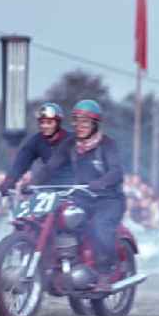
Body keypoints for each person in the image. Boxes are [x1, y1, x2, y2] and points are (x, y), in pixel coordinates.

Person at [35, 99, 125, 287]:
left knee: (100, 227)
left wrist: (101, 183)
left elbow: (116, 171)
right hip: (82, 197)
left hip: (109, 200)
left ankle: (105, 272)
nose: (80, 126)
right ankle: (63, 264)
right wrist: (31, 182)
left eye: (85, 122)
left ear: (94, 124)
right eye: (77, 121)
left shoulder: (108, 144)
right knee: (59, 219)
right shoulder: (69, 144)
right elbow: (52, 166)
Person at [0, 102, 74, 195]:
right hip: (49, 190)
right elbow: (22, 160)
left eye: (49, 122)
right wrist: (10, 180)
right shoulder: (37, 140)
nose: (45, 126)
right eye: (42, 122)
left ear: (58, 123)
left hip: (75, 189)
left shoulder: (71, 139)